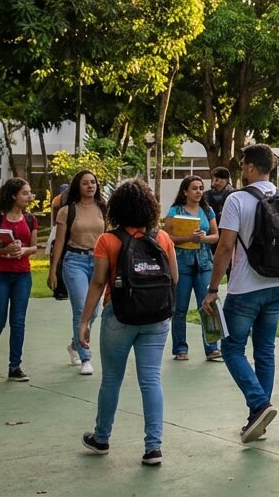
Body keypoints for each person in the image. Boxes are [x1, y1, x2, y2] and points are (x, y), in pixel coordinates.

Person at [202, 143, 279, 443]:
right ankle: (258, 421)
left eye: (244, 164)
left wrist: (212, 289)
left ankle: (259, 405)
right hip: (277, 285)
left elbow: (225, 247)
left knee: (232, 348)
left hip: (245, 287)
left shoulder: (237, 199)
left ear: (251, 168)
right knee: (265, 351)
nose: (242, 168)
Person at [78, 179, 177, 467]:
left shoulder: (108, 240)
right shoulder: (162, 238)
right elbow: (174, 278)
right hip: (156, 317)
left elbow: (98, 283)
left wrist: (85, 322)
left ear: (117, 208)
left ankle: (101, 438)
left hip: (119, 316)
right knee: (151, 380)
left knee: (111, 379)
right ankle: (153, 447)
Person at [48, 170, 108, 376]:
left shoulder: (103, 209)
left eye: (93, 182)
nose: (90, 186)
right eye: (85, 183)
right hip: (75, 261)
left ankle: (75, 344)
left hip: (98, 261)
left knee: (95, 311)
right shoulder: (67, 211)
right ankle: (86, 357)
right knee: (82, 309)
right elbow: (59, 242)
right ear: (77, 187)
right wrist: (52, 270)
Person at [0, 178, 38, 381]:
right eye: (25, 193)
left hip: (22, 275)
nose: (29, 197)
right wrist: (3, 249)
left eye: (29, 193)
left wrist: (24, 251)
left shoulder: (30, 219)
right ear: (13, 195)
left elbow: (34, 247)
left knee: (18, 322)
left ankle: (15, 367)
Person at [163, 176, 220, 361]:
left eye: (201, 188)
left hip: (204, 263)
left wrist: (204, 238)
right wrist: (189, 238)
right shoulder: (175, 211)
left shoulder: (207, 210)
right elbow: (167, 237)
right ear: (185, 191)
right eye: (194, 188)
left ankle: (212, 348)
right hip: (182, 264)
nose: (198, 191)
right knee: (180, 308)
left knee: (208, 305)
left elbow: (216, 236)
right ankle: (180, 348)